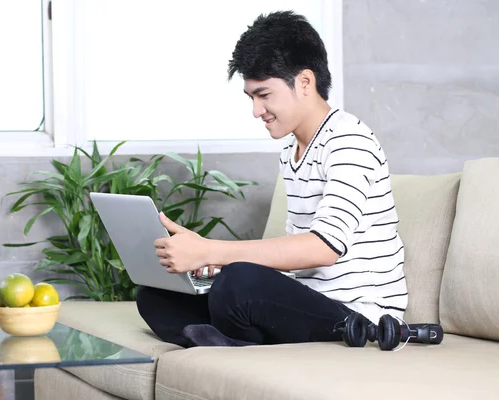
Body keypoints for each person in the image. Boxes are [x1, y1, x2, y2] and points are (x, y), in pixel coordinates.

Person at [136, 10, 407, 348]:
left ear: (305, 83)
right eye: (251, 97)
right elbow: (298, 269)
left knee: (238, 282)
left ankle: (234, 338)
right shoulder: (293, 152)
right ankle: (235, 340)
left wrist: (210, 251)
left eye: (264, 95)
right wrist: (212, 262)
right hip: (312, 302)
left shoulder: (349, 142)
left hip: (359, 319)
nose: (256, 110)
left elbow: (323, 248)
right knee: (155, 297)